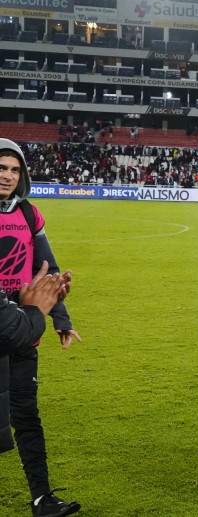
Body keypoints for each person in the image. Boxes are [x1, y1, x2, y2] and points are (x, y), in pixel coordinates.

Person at [0, 139, 82, 517]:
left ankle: (42, 499)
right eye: (2, 168)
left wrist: (60, 319)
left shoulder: (30, 214)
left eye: (15, 170)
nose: (7, 176)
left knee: (26, 416)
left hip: (21, 326)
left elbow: (46, 269)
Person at [1, 263, 69, 454]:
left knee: (27, 418)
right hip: (20, 345)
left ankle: (40, 485)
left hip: (21, 351)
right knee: (26, 419)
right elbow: (8, 332)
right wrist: (34, 308)